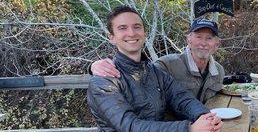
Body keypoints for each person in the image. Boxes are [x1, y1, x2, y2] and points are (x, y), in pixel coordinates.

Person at [87, 6, 223, 132]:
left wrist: (206, 117)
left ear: (144, 33)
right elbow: (131, 128)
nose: (131, 33)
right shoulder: (104, 81)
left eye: (137, 27)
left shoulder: (153, 71)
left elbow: (182, 98)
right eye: (123, 28)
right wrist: (190, 129)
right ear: (112, 37)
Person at [91, 18, 225, 103]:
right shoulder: (167, 64)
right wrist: (92, 66)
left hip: (204, 129)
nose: (203, 43)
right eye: (198, 37)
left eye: (209, 38)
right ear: (188, 40)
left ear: (216, 44)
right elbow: (137, 74)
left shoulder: (218, 71)